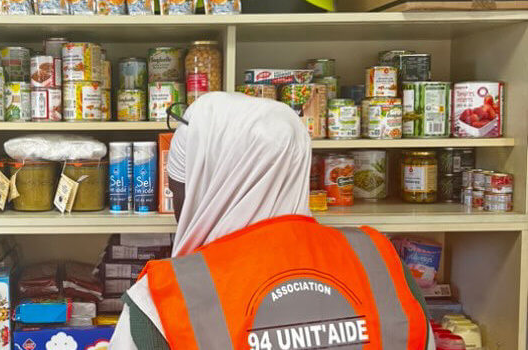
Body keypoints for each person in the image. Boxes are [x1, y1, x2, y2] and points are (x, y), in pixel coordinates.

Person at [109, 92, 436, 350]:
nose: (174, 197)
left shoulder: (164, 299)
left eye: (179, 185)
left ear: (210, 187)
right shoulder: (381, 263)